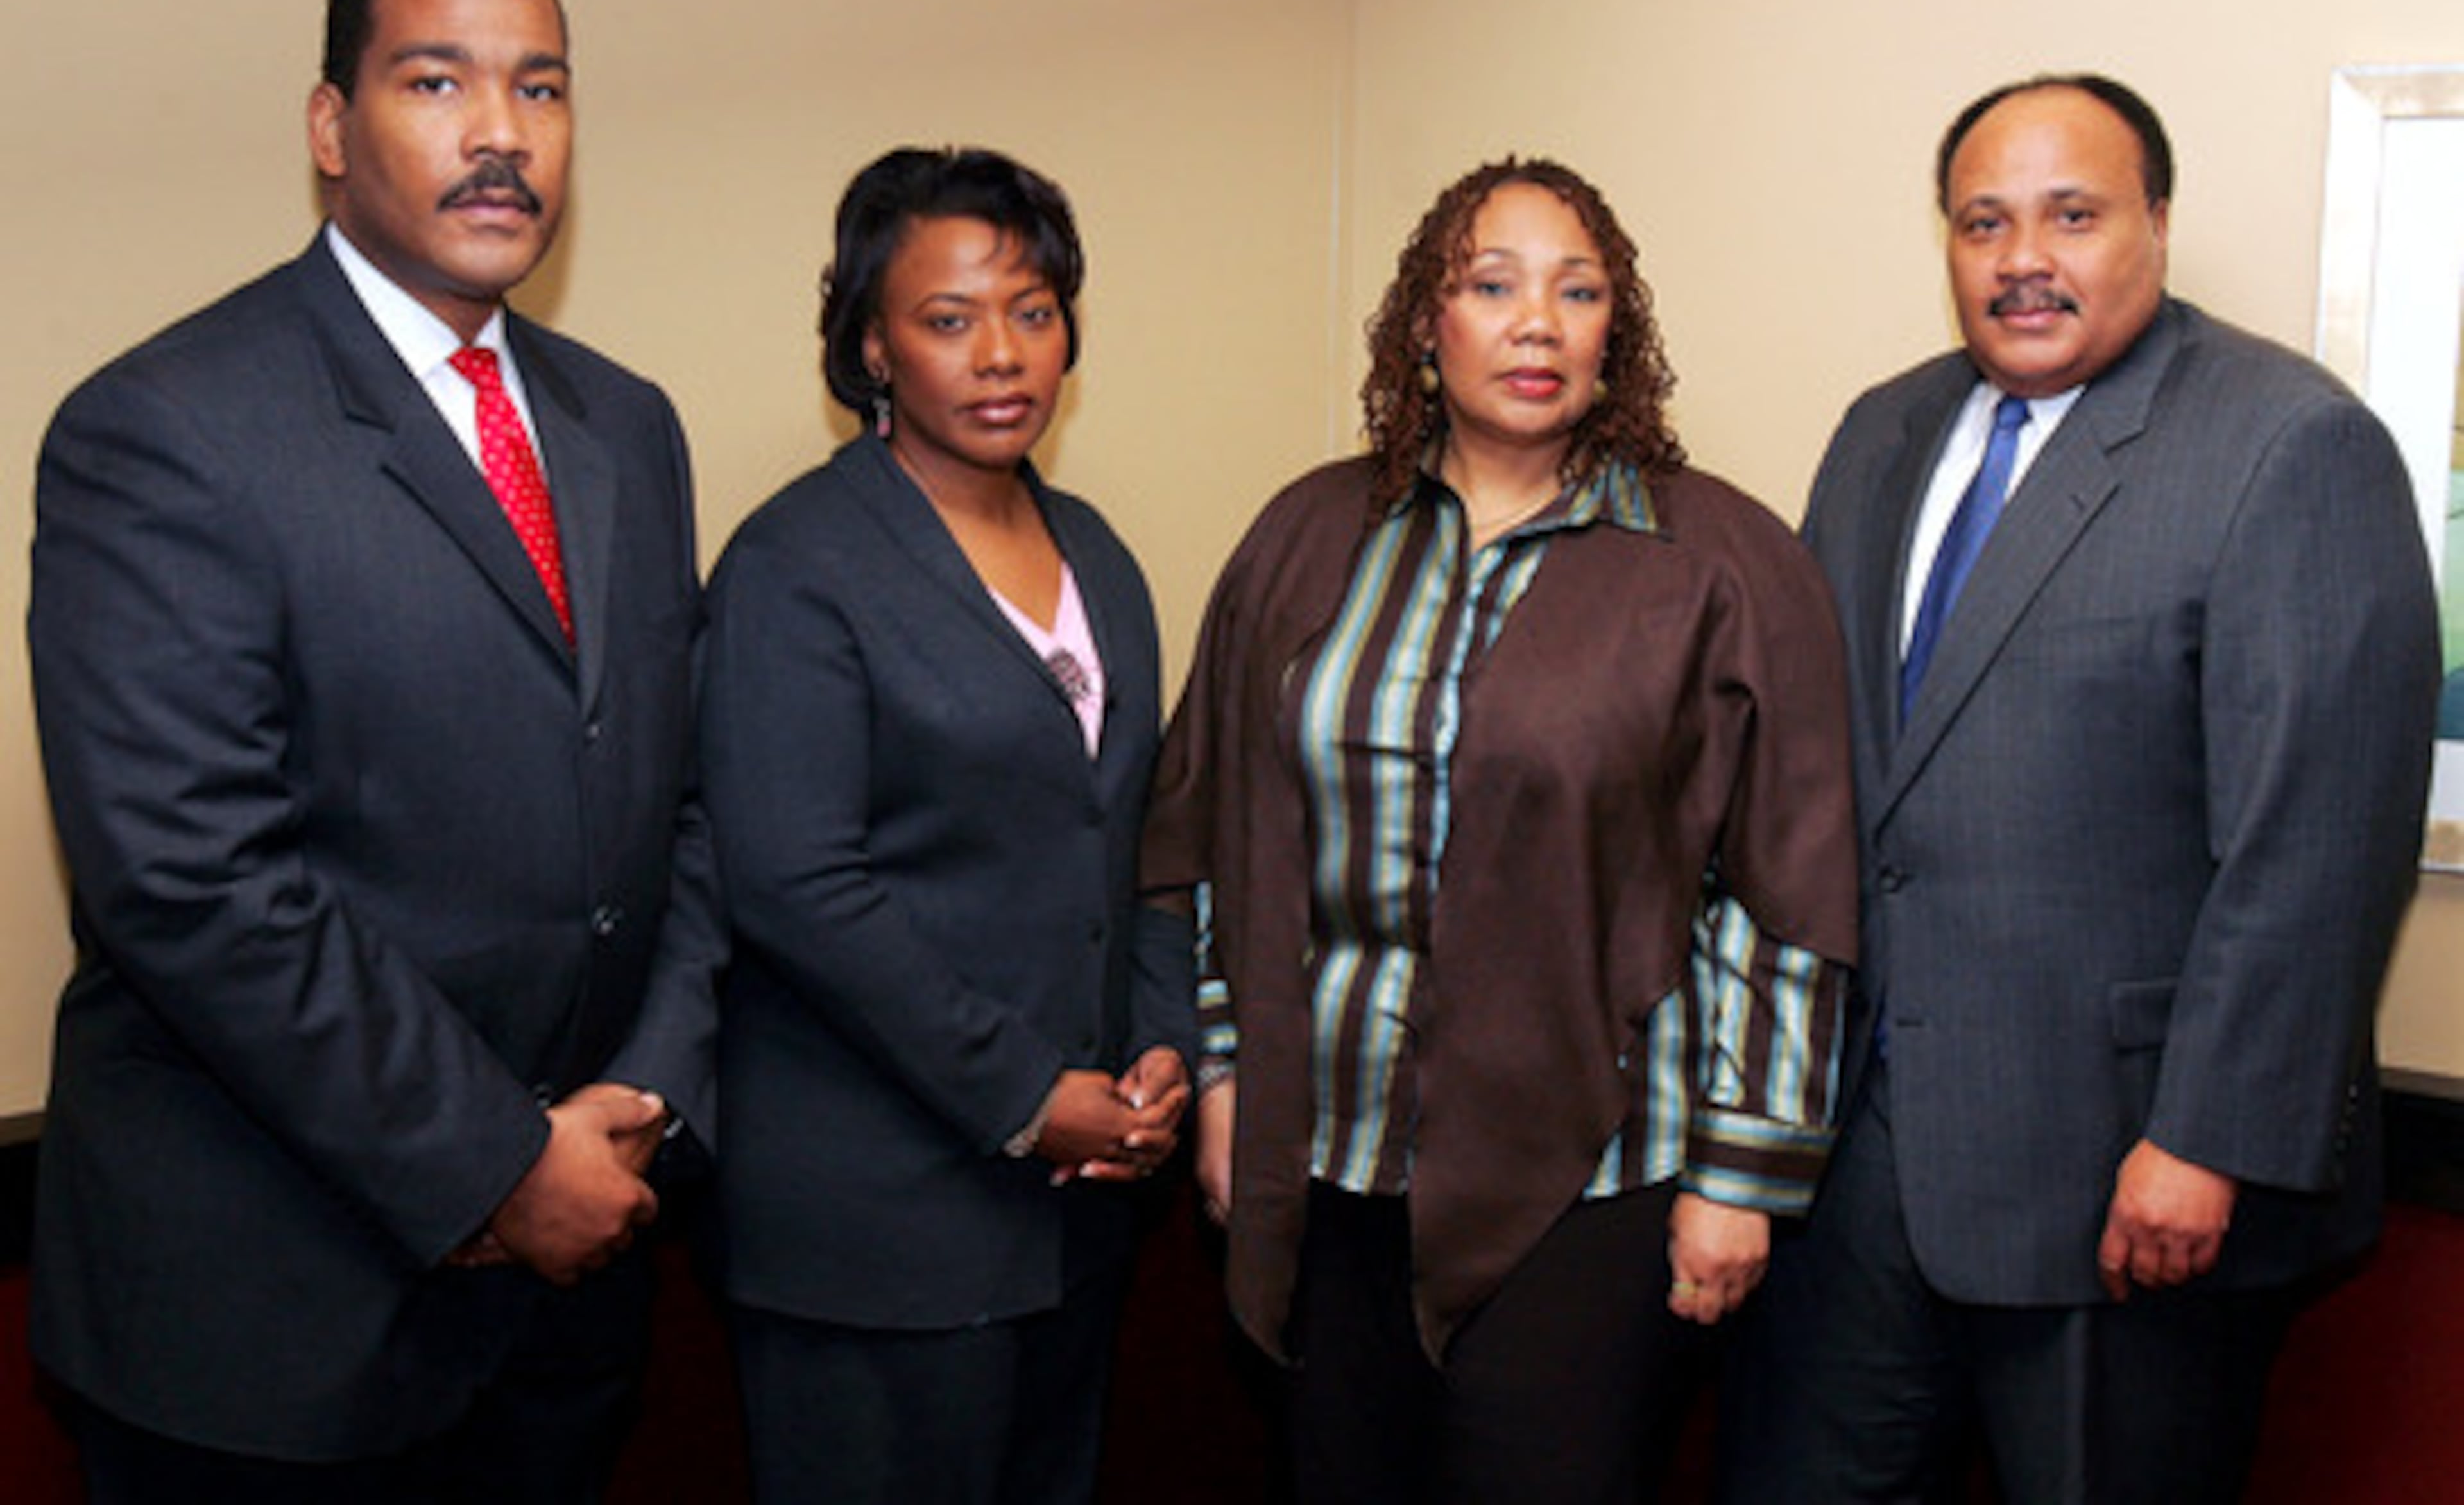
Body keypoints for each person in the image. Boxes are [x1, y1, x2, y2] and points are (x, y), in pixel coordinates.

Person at [25, 0, 723, 1504]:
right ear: (333, 127)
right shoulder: (167, 430)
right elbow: (190, 882)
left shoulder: (624, 424)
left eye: (541, 90)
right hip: (269, 1329)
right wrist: (495, 1161)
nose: (500, 135)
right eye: (437, 81)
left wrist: (645, 1102)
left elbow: (679, 803)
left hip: (564, 1310)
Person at [1718, 74, 2441, 1504]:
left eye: (2072, 214)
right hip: (1860, 1172)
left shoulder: (2288, 444)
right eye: (1984, 222)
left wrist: (2207, 1139)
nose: (2023, 258)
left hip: (2130, 1179)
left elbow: (2320, 841)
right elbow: (1809, 779)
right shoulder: (1880, 437)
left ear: (2157, 227)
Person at [1143, 157, 1859, 1504]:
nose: (1538, 322)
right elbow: (1218, 833)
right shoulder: (1308, 538)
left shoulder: (1719, 564)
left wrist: (1746, 1177)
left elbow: (1785, 891)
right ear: (1427, 323)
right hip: (1332, 1164)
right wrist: (1228, 1075)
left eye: (1577, 292)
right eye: (1493, 285)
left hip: (1594, 1186)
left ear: (1615, 332)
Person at [699, 146, 1194, 1504]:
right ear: (870, 346)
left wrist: (1159, 1050)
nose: (1000, 355)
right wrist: (1029, 1096)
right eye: (949, 318)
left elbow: (1143, 840)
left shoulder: (1098, 552)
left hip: (1075, 1217)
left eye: (1033, 312)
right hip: (877, 1231)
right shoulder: (796, 565)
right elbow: (799, 885)